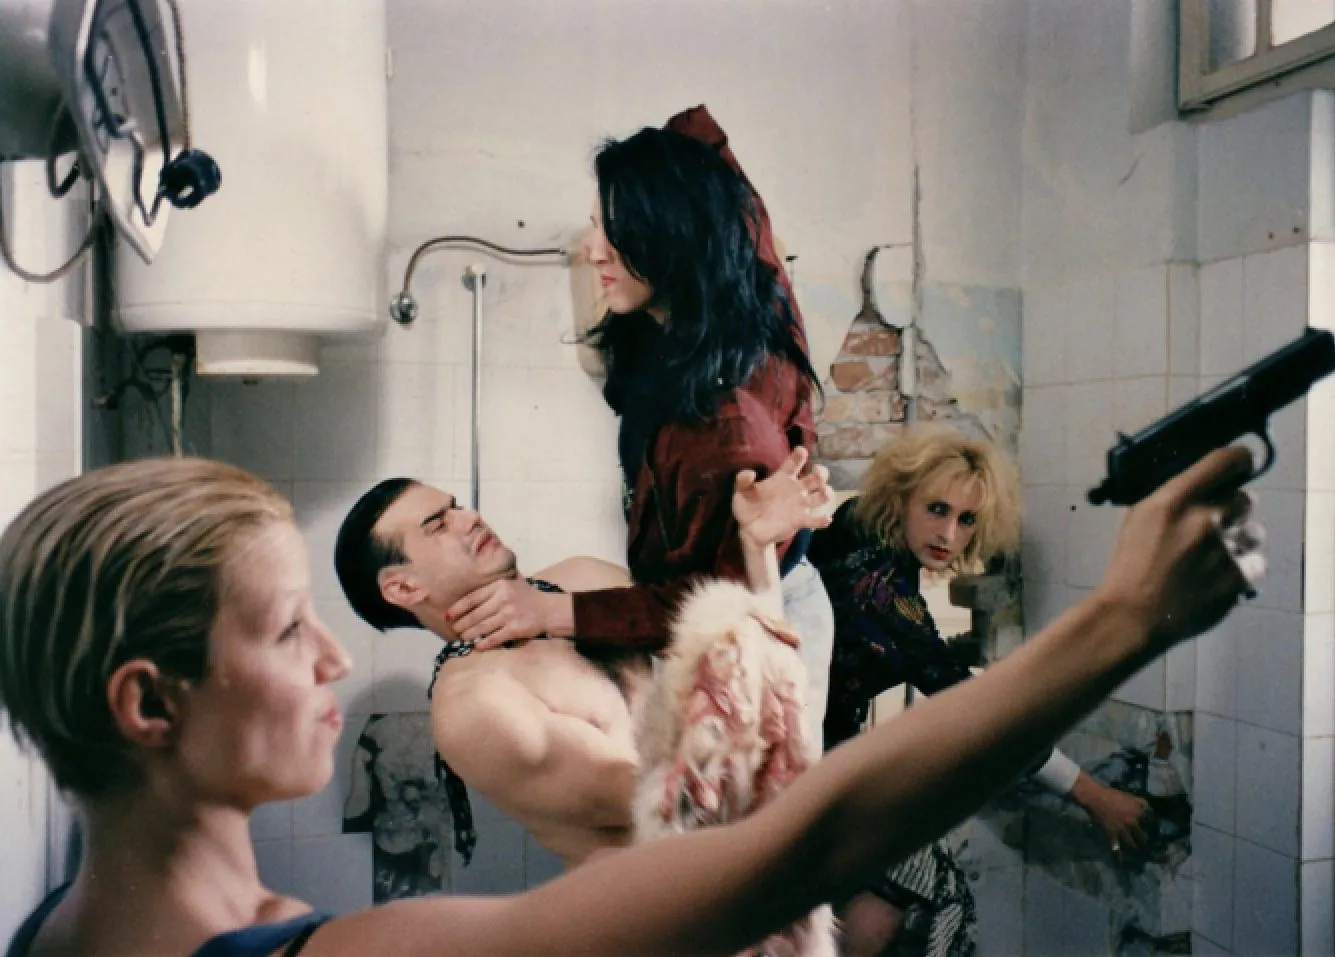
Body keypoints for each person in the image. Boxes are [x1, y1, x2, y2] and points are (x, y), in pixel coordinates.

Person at [0, 447, 1261, 957]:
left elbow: (753, 705)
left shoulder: (67, 933)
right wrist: (1124, 619)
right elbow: (762, 825)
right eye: (286, 631)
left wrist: (757, 554)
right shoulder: (365, 913)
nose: (333, 662)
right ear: (147, 705)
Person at [442, 106, 836, 744]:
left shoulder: (724, 427)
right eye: (597, 223)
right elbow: (725, 189)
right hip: (731, 603)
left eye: (616, 230)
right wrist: (671, 154)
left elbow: (710, 605)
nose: (591, 249)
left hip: (761, 623)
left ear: (673, 238)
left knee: (748, 799)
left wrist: (550, 611)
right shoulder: (732, 305)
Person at [334, 448, 832, 869]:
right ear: (403, 588)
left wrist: (756, 546)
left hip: (755, 861)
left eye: (457, 507)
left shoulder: (581, 579)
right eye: (438, 525)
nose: (470, 518)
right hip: (671, 917)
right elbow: (683, 808)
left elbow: (745, 658)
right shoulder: (476, 706)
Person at [807, 425, 1168, 957]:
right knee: (935, 895)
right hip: (803, 764)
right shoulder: (880, 590)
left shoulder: (857, 525)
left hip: (807, 750)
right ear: (901, 498)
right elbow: (977, 713)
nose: (948, 534)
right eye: (937, 509)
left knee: (886, 901)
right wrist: (1095, 797)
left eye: (966, 519)